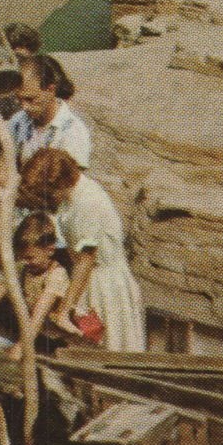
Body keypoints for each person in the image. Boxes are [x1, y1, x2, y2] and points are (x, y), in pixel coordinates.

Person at [12, 148, 145, 352]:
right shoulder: (70, 198)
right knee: (88, 340)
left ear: (60, 183)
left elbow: (86, 259)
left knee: (108, 345)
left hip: (105, 285)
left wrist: (64, 310)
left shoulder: (88, 201)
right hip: (86, 280)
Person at [0, 213, 93, 358]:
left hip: (63, 338)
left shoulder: (56, 275)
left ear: (50, 250)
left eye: (30, 257)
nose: (25, 262)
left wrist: (21, 347)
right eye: (21, 257)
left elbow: (39, 315)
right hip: (40, 332)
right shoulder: (23, 268)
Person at [3, 54, 93, 169]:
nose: (24, 107)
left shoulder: (73, 132)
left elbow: (68, 183)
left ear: (51, 90)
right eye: (19, 99)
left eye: (30, 99)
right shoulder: (18, 121)